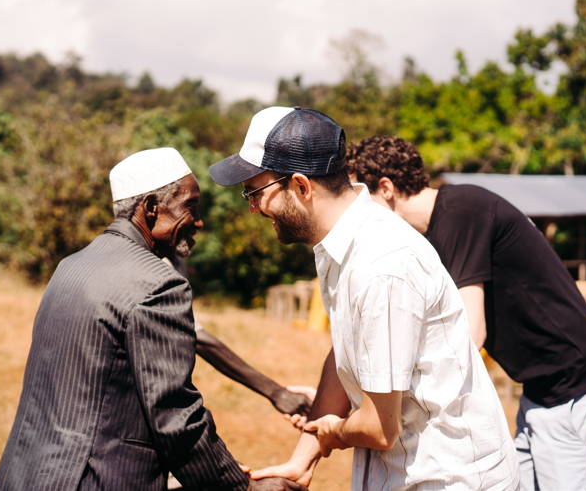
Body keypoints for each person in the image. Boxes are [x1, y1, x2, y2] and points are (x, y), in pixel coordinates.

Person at [209, 107, 519, 490]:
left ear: (302, 187)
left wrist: (332, 432)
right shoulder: (337, 242)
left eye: (255, 192)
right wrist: (302, 460)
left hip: (450, 478)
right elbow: (344, 351)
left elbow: (377, 427)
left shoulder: (381, 265)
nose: (253, 207)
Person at [0, 147, 306, 491]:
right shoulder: (158, 283)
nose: (199, 222)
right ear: (152, 208)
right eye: (190, 207)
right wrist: (239, 487)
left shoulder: (72, 266)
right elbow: (174, 416)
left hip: (26, 474)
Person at [346, 135, 586, 491]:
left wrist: (389, 394)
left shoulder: (462, 210)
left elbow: (469, 334)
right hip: (542, 393)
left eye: (362, 198)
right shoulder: (433, 235)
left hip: (580, 390)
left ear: (385, 188)